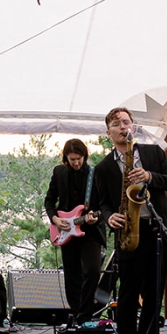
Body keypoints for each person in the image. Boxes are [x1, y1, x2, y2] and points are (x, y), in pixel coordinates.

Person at [88, 107, 167, 334]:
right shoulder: (103, 167)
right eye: (116, 124)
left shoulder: (154, 153)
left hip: (157, 228)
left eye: (126, 122)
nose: (123, 127)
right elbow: (101, 204)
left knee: (154, 291)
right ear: (108, 132)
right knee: (128, 290)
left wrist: (149, 177)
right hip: (128, 232)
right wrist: (109, 217)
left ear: (133, 127)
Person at [43, 138, 104, 323]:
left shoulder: (95, 174)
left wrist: (97, 217)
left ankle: (86, 314)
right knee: (71, 273)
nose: (76, 163)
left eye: (79, 159)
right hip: (65, 230)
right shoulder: (59, 172)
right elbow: (49, 200)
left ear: (85, 156)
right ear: (65, 159)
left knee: (93, 270)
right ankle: (77, 314)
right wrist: (55, 218)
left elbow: (104, 205)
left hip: (90, 230)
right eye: (72, 159)